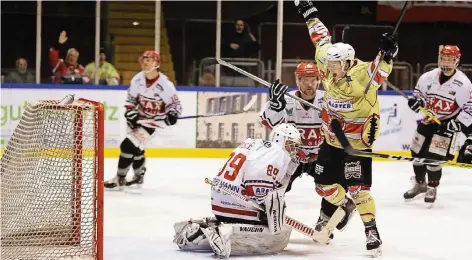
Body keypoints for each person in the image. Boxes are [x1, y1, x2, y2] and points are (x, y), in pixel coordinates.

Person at [293, 0, 399, 256]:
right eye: (328, 65)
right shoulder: (328, 64)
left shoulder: (364, 75)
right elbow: (320, 38)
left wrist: (388, 53)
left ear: (349, 62)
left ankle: (371, 232)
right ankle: (345, 206)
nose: (329, 70)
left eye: (335, 66)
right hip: (331, 141)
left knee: (359, 189)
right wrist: (310, 12)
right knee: (323, 186)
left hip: (357, 145)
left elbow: (381, 69)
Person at [173, 123, 301, 258]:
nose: (293, 149)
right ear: (279, 139)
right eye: (291, 144)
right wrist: (267, 208)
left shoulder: (255, 145)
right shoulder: (277, 152)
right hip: (239, 204)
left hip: (220, 201)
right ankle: (225, 234)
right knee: (274, 218)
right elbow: (257, 181)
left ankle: (201, 231)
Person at [260, 62, 356, 242]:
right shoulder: (286, 101)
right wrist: (275, 105)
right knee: (275, 186)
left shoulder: (328, 99)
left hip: (319, 156)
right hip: (293, 158)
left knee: (330, 184)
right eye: (304, 80)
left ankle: (327, 217)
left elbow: (346, 123)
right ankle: (273, 216)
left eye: (313, 80)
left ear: (319, 81)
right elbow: (267, 123)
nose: (309, 85)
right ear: (297, 81)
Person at [403, 45, 472, 206]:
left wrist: (457, 123)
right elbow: (419, 96)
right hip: (428, 121)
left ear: (457, 61)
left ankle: (432, 187)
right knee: (416, 153)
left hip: (446, 125)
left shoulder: (463, 84)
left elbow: (469, 108)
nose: (446, 61)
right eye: (443, 58)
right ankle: (420, 184)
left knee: (434, 158)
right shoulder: (428, 77)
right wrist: (417, 102)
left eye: (450, 58)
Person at [104, 50, 182, 189]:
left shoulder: (165, 85)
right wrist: (130, 113)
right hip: (138, 120)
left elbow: (175, 105)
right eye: (144, 59)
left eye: (149, 60)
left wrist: (172, 115)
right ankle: (139, 176)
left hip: (154, 123)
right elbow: (131, 100)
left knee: (127, 146)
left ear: (157, 63)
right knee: (137, 149)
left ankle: (119, 178)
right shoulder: (137, 79)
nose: (145, 62)